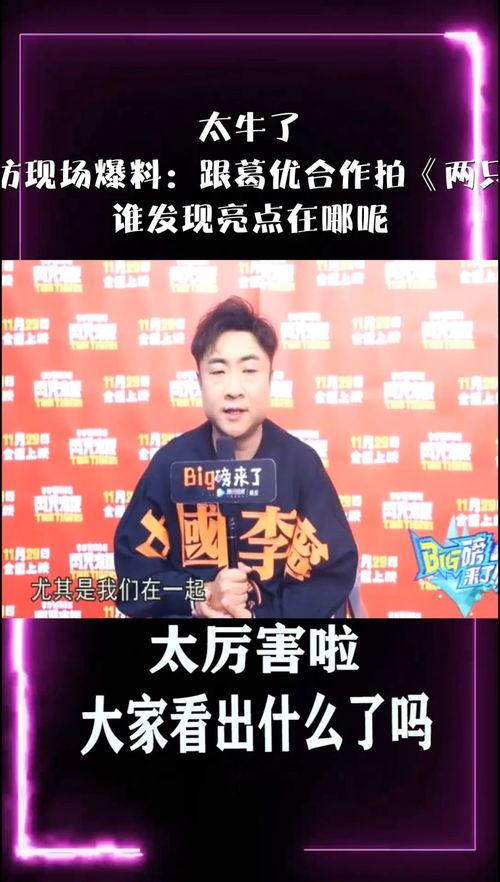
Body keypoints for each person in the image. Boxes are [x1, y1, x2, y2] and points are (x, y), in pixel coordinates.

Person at [114, 296, 359, 618]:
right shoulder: (170, 465)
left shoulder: (301, 465)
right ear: (199, 381)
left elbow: (331, 572)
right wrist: (200, 596)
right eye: (218, 371)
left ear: (270, 379)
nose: (233, 389)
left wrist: (261, 618)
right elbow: (133, 582)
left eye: (249, 370)